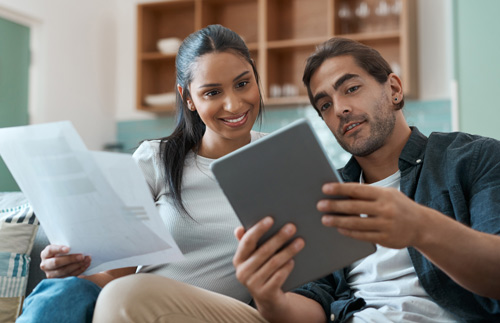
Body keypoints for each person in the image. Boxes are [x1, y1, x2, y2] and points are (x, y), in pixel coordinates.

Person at [92, 37, 500, 322]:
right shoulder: (320, 192)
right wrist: (269, 299)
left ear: (393, 88)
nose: (339, 108)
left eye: (351, 88)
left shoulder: (471, 159)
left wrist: (419, 226)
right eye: (324, 103)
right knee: (106, 297)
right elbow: (312, 306)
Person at [17, 24, 266, 323]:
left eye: (242, 83)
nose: (234, 104)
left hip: (220, 315)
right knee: (63, 292)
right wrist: (73, 271)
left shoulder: (283, 156)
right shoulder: (157, 159)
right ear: (188, 98)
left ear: (256, 76)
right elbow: (114, 279)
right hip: (137, 308)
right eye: (212, 92)